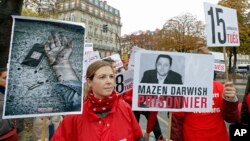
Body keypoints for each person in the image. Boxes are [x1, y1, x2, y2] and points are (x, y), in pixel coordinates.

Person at [51, 60, 143, 141]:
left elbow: (138, 137)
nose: (109, 81)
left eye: (111, 76)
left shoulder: (125, 108)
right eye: (102, 77)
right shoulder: (75, 116)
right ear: (90, 82)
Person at [170, 47, 239, 141]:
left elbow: (231, 119)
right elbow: (176, 124)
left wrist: (231, 101)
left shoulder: (221, 88)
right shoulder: (184, 90)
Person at [0, 68, 19, 141]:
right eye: (5, 78)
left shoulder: (11, 91)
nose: (8, 80)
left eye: (9, 77)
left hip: (12, 133)